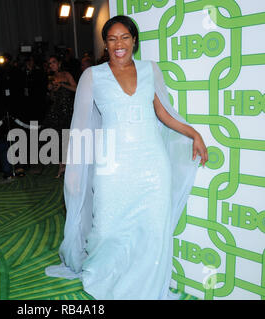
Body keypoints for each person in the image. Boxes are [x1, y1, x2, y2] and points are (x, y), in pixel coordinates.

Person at [45, 15, 208, 300]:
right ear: (105, 44)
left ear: (134, 40)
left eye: (124, 37)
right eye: (112, 38)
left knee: (153, 227)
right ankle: (106, 277)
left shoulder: (150, 70)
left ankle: (149, 287)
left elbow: (163, 113)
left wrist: (193, 133)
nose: (119, 44)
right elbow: (80, 125)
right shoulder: (92, 76)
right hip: (112, 163)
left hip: (152, 163)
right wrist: (73, 170)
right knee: (107, 228)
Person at [42, 55, 77, 178]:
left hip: (68, 110)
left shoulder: (66, 75)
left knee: (68, 138)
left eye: (53, 62)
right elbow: (51, 98)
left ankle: (70, 166)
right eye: (49, 63)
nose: (52, 65)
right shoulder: (51, 78)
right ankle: (61, 166)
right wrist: (51, 90)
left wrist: (62, 84)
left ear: (59, 63)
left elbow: (76, 88)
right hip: (56, 111)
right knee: (56, 138)